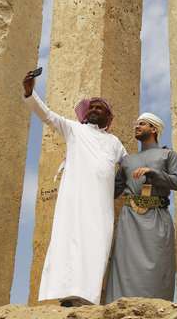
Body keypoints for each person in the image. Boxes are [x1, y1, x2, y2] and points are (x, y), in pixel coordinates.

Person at [22, 70, 127, 307]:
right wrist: (30, 93)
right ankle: (69, 295)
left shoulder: (114, 142)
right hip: (75, 198)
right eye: (91, 107)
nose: (93, 110)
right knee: (70, 239)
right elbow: (47, 116)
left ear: (107, 117)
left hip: (101, 204)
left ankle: (89, 297)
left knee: (97, 243)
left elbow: (129, 165)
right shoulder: (74, 130)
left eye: (99, 108)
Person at [105, 113, 177, 303]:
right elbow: (113, 190)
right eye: (136, 123)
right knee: (125, 267)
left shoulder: (168, 154)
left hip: (157, 218)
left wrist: (153, 173)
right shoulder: (127, 161)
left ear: (154, 129)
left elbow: (176, 182)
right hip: (129, 220)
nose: (136, 126)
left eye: (142, 124)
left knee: (157, 267)